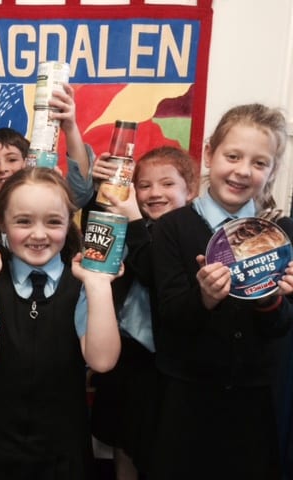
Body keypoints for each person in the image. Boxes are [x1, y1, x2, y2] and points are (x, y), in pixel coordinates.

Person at [150, 104, 293, 480]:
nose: (243, 171)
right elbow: (170, 316)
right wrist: (205, 298)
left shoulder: (281, 233)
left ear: (272, 170)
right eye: (233, 156)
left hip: (255, 400)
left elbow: (282, 327)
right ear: (209, 153)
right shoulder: (171, 228)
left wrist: (271, 299)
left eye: (259, 163)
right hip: (185, 397)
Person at [0, 167, 122, 480]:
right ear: (2, 223)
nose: (38, 234)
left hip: (64, 452)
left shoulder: (84, 284)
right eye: (23, 221)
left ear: (69, 222)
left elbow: (102, 361)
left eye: (53, 222)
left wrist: (99, 285)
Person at [89, 146, 199, 479]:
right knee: (123, 439)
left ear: (190, 190)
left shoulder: (192, 235)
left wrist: (135, 220)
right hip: (127, 354)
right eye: (144, 185)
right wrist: (100, 190)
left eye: (167, 184)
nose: (154, 193)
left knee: (158, 443)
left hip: (166, 360)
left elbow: (155, 272)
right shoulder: (130, 228)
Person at [0, 84, 96, 210]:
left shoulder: (51, 198)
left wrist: (70, 128)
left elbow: (81, 189)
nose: (2, 168)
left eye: (12, 160)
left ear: (29, 163)